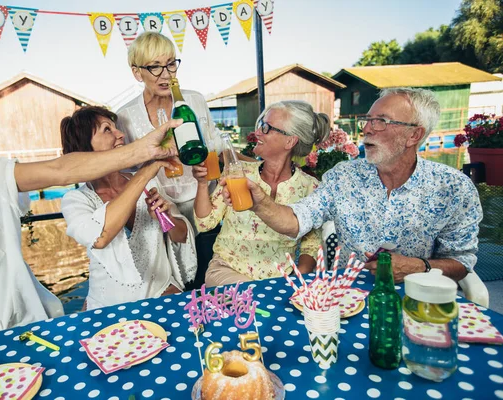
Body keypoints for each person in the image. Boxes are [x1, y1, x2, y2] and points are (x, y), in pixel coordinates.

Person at [0, 73, 180, 399]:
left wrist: (144, 152)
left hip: (34, 336)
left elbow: (60, 170)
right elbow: (101, 235)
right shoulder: (80, 201)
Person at [229, 88, 482, 284]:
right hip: (347, 296)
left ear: (414, 135)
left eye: (381, 121)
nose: (367, 129)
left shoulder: (453, 189)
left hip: (416, 295)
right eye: (368, 120)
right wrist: (260, 202)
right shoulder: (343, 177)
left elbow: (461, 262)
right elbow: (296, 221)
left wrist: (419, 267)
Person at [60, 107, 197, 309]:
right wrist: (145, 173)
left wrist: (168, 218)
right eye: (107, 130)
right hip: (107, 304)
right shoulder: (76, 200)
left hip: (160, 290)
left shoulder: (150, 185)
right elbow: (100, 237)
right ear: (84, 148)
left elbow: (181, 236)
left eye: (116, 128)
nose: (120, 134)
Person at [193, 101, 328, 286]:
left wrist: (297, 282)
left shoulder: (310, 187)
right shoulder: (238, 172)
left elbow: (310, 246)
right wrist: (202, 183)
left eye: (266, 128)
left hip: (278, 280)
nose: (257, 132)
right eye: (260, 125)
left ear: (290, 141)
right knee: (253, 300)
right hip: (226, 271)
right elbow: (204, 223)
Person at [115, 31, 216, 230]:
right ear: (137, 72)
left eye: (170, 64)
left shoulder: (195, 100)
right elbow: (125, 171)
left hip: (205, 201)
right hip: (160, 211)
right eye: (154, 66)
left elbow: (215, 144)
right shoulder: (124, 116)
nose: (166, 74)